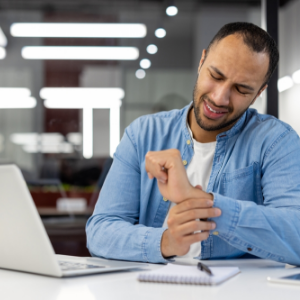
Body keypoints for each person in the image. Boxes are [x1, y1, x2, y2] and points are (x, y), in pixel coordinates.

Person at [86, 22, 300, 265]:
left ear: (259, 92)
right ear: (202, 62)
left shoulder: (276, 141)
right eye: (215, 75)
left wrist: (205, 204)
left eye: (241, 89)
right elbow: (100, 232)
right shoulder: (142, 135)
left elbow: (297, 236)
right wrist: (167, 242)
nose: (220, 98)